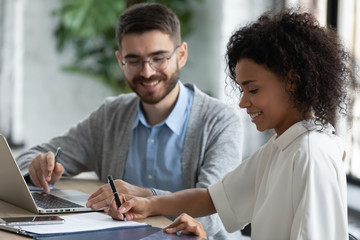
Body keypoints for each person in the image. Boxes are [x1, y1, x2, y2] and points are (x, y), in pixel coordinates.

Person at [106, 9, 356, 240]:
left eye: (253, 90)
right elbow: (213, 198)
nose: (243, 103)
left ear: (292, 82)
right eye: (242, 90)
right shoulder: (282, 146)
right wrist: (149, 204)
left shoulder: (309, 153)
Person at [16, 3, 243, 240]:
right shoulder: (111, 115)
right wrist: (38, 167)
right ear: (120, 60)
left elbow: (215, 213)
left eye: (158, 58)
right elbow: (29, 158)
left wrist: (148, 196)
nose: (146, 72)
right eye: (133, 61)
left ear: (181, 55)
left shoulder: (220, 121)